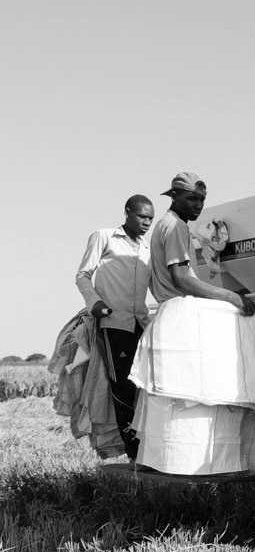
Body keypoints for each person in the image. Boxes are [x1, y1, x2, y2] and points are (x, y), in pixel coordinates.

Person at [75, 194, 155, 459]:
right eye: (142, 216)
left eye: (150, 219)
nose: (147, 222)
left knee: (145, 384)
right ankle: (133, 450)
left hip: (141, 323)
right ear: (127, 212)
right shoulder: (104, 237)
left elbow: (157, 285)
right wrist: (94, 303)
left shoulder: (146, 249)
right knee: (122, 386)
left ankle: (149, 443)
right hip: (113, 323)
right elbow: (83, 274)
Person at [148, 172, 255, 316]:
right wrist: (232, 297)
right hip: (178, 313)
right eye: (192, 198)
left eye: (202, 199)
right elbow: (181, 280)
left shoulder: (166, 223)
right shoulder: (175, 225)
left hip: (170, 312)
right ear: (174, 196)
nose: (199, 205)